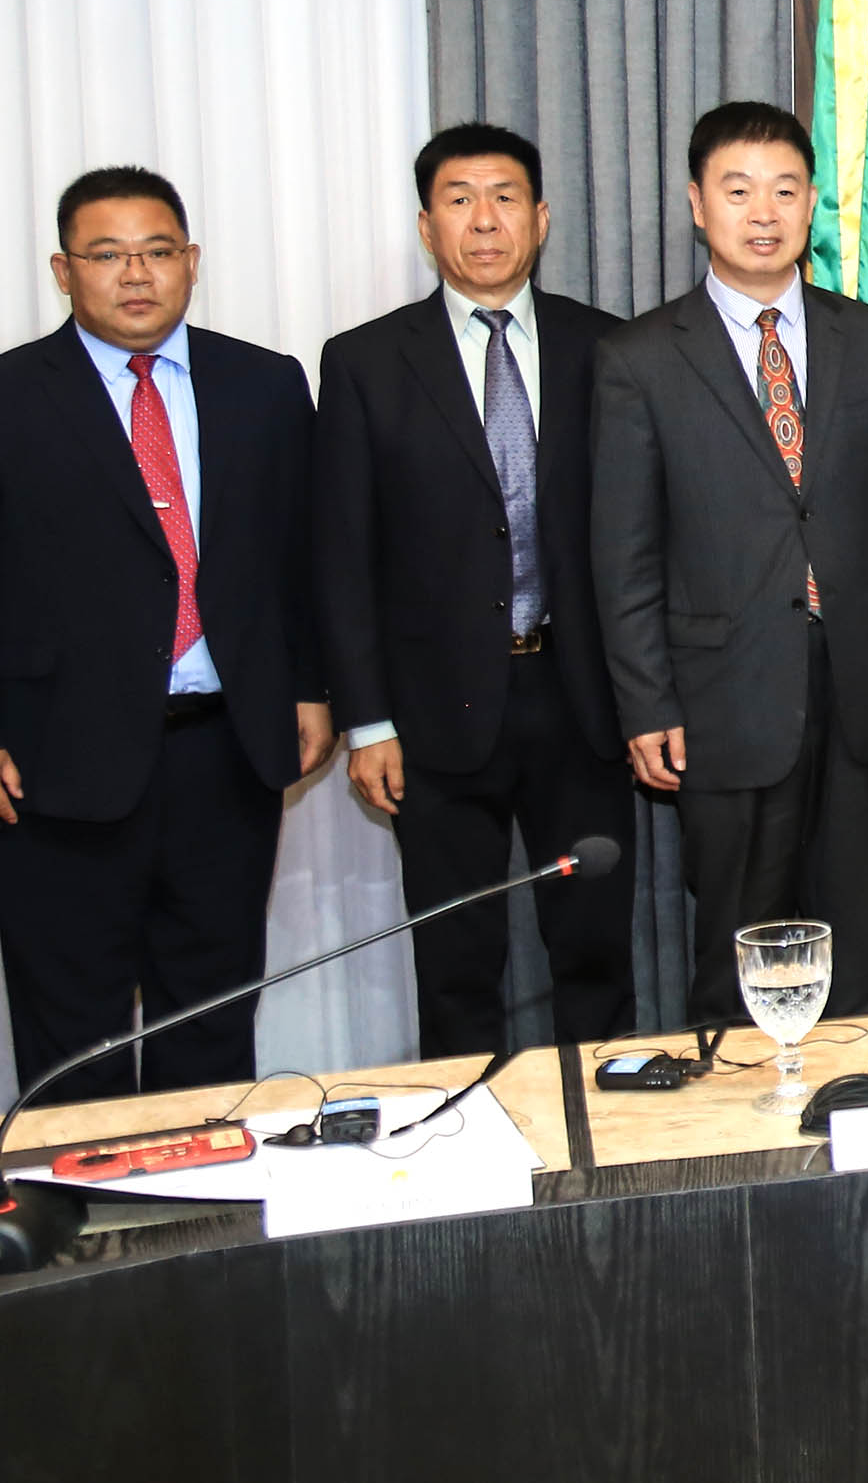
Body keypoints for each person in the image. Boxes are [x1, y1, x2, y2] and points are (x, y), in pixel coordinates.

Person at [0, 167, 329, 1098]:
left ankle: (205, 1216)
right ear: (63, 270)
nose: (136, 274)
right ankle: (81, 1224)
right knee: (73, 1032)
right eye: (107, 254)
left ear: (192, 262)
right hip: (51, 769)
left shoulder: (264, 383)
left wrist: (310, 686)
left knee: (211, 1013)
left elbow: (301, 555)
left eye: (157, 251)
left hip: (227, 755)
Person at [593, 102, 868, 1023]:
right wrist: (647, 703)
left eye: (786, 190)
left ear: (810, 207)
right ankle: (744, 1145)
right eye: (739, 189)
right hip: (722, 700)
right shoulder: (638, 358)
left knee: (866, 936)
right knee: (738, 946)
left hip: (864, 690)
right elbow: (625, 555)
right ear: (696, 204)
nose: (764, 212)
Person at [314, 123, 636, 1057]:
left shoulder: (608, 348)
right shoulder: (365, 362)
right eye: (459, 200)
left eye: (504, 198)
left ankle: (607, 1157)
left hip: (582, 701)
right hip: (432, 712)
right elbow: (342, 555)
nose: (484, 220)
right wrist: (366, 722)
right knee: (456, 959)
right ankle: (471, 1154)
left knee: (593, 949)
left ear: (540, 219)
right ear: (426, 226)